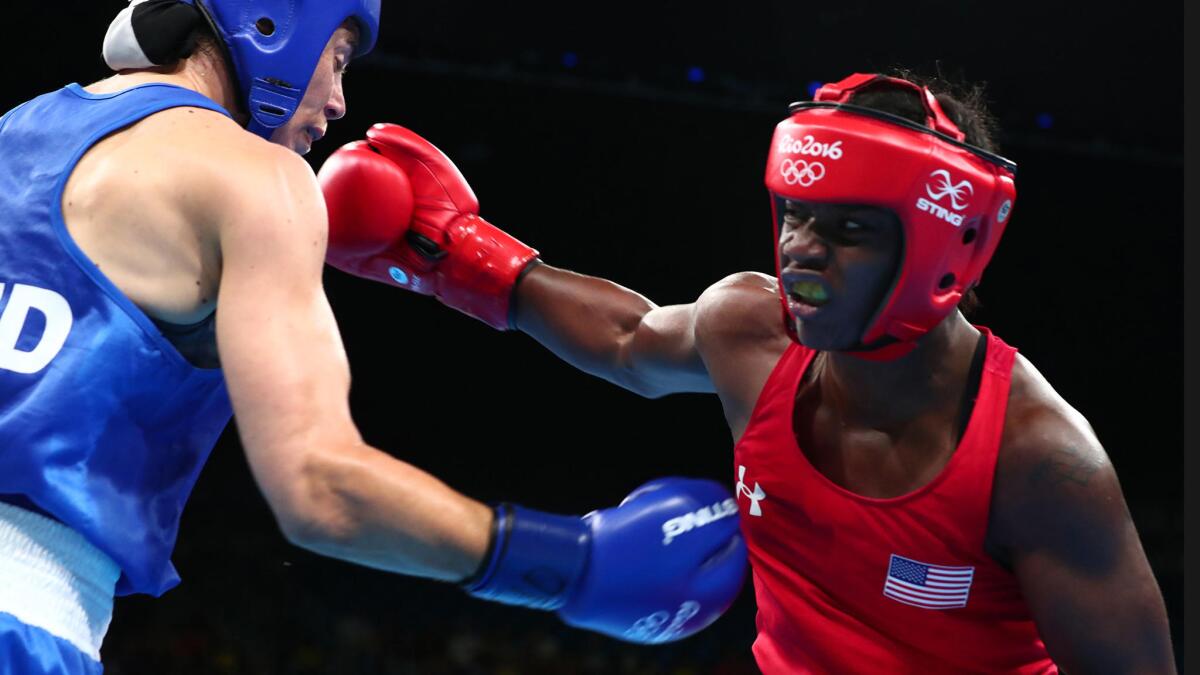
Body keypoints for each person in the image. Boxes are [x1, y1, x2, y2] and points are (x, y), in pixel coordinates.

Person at [318, 71, 1177, 673]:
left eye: (849, 229)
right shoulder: (751, 332)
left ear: (945, 249)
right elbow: (629, 338)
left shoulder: (1039, 459)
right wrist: (455, 256)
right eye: (797, 215)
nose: (802, 247)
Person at [0, 1, 748, 672]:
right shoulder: (255, 178)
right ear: (274, 25)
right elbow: (318, 486)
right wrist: (566, 561)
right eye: (339, 57)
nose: (337, 100)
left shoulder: (16, 128)